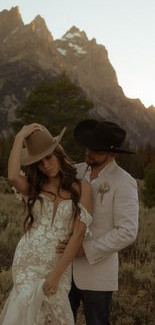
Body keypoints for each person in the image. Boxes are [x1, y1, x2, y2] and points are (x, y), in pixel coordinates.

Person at [0, 123, 93, 325]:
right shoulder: (34, 188)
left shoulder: (82, 187)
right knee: (26, 316)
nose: (46, 165)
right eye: (39, 162)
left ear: (58, 154)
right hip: (27, 262)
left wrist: (56, 274)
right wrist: (19, 137)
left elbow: (78, 234)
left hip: (57, 265)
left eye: (49, 157)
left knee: (53, 316)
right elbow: (13, 176)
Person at [58, 119, 139, 325]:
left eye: (97, 149)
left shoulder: (124, 182)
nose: (89, 152)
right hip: (64, 269)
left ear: (112, 153)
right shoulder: (74, 171)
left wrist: (84, 249)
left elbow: (127, 231)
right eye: (88, 146)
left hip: (98, 275)